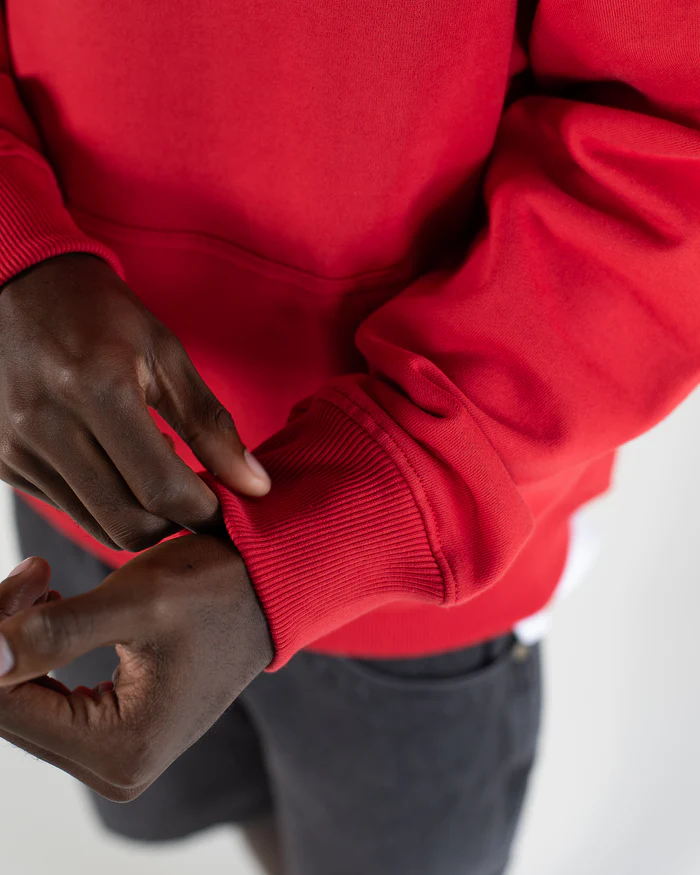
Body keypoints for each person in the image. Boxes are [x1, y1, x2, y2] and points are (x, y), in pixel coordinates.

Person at [0, 2, 698, 874]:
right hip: (73, 469)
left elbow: (669, 153)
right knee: (213, 807)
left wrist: (355, 518)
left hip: (407, 559)